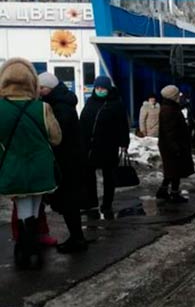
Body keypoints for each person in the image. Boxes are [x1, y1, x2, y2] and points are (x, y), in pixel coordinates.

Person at [0, 58, 62, 266]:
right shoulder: (42, 108)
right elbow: (56, 138)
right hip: (40, 167)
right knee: (35, 205)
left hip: (13, 166)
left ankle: (24, 248)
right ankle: (33, 247)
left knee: (23, 206)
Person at [38, 72, 88, 253]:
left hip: (67, 163)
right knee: (69, 202)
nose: (39, 92)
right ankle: (76, 237)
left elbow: (58, 137)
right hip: (71, 161)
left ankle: (77, 239)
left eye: (42, 88)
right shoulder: (62, 103)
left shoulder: (59, 108)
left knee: (69, 202)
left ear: (50, 88)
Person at [80, 75, 129, 219]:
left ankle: (107, 203)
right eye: (97, 87)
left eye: (102, 88)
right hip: (91, 145)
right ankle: (92, 201)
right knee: (89, 174)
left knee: (109, 175)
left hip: (108, 145)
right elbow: (83, 121)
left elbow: (123, 125)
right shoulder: (90, 102)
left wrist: (124, 143)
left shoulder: (116, 104)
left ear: (108, 89)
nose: (100, 90)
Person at [157, 85, 194, 203]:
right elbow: (169, 131)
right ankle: (174, 193)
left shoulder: (170, 107)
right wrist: (175, 147)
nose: (179, 96)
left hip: (171, 145)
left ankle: (163, 191)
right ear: (173, 96)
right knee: (175, 171)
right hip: (172, 145)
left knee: (171, 171)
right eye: (177, 94)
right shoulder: (169, 110)